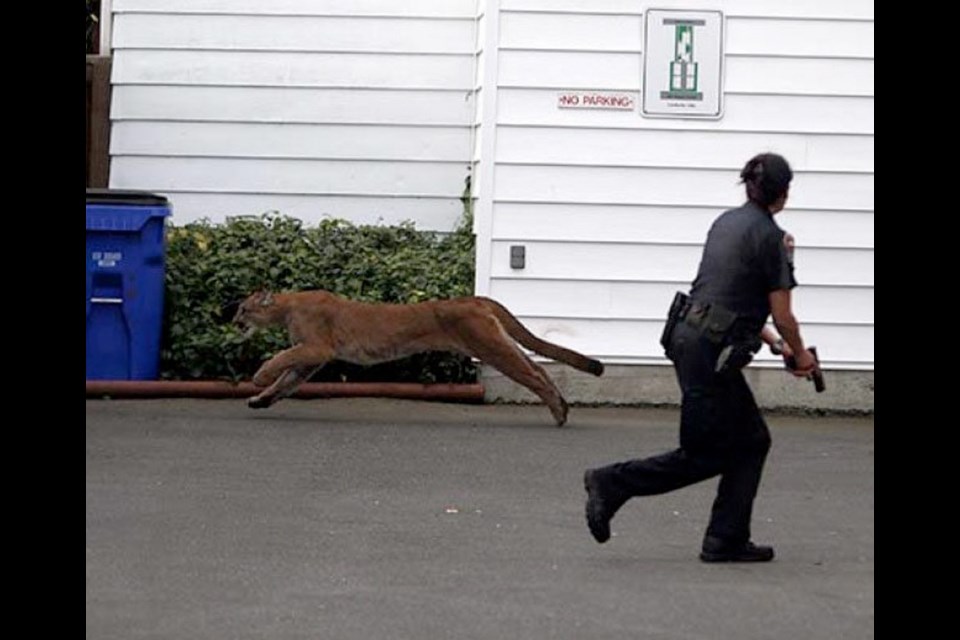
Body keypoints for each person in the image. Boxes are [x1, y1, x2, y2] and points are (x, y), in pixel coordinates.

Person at [583, 153, 818, 562]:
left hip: (691, 338)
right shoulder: (771, 238)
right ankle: (611, 482)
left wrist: (777, 346)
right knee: (707, 452)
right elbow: (783, 316)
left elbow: (730, 297)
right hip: (708, 352)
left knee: (750, 441)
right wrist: (800, 356)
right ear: (783, 193)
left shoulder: (726, 223)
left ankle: (725, 538)